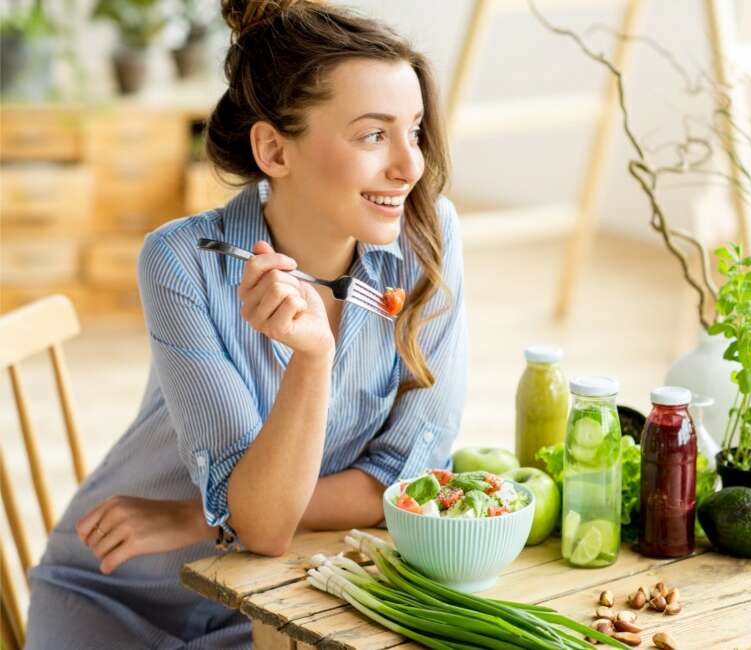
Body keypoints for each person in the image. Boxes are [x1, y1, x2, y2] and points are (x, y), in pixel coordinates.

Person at [25, 1, 468, 647]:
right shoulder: (183, 259)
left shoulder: (427, 237)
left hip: (274, 597)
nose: (410, 165)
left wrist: (200, 518)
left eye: (415, 130)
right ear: (273, 149)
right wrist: (312, 363)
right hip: (120, 591)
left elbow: (409, 477)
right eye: (374, 135)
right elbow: (262, 523)